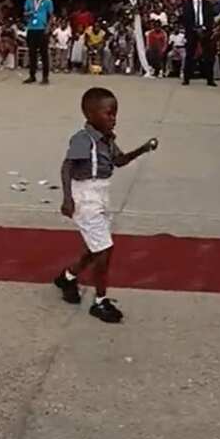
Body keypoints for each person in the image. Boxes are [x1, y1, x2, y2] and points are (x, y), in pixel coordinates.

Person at [53, 87, 158, 323]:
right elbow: (67, 167)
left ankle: (68, 277)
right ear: (90, 114)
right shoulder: (83, 139)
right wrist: (67, 198)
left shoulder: (107, 140)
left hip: (101, 194)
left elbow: (119, 161)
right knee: (104, 250)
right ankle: (100, 302)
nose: (113, 118)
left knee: (96, 247)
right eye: (108, 113)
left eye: (115, 113)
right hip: (85, 195)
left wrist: (143, 148)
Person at [181, 0, 216, 86]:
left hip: (205, 31)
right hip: (192, 32)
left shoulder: (207, 4)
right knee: (189, 55)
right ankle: (186, 78)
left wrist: (204, 28)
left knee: (208, 56)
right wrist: (194, 29)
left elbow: (210, 18)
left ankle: (210, 79)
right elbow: (186, 19)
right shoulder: (187, 4)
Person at [23, 0, 54, 84]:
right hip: (32, 28)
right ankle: (32, 75)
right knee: (32, 53)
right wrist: (29, 13)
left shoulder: (47, 1)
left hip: (42, 29)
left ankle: (45, 77)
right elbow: (25, 13)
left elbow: (51, 16)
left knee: (44, 54)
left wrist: (48, 28)